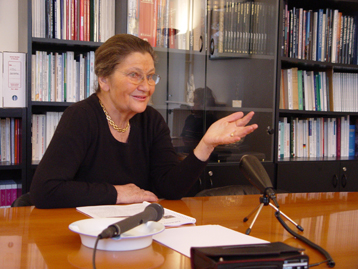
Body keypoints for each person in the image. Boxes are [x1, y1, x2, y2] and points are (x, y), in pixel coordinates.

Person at [30, 34, 258, 209]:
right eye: (134, 75)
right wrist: (117, 193)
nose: (146, 86)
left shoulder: (151, 121)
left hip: (136, 232)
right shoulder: (81, 117)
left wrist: (206, 144)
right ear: (104, 80)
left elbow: (170, 188)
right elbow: (45, 190)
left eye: (150, 76)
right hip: (85, 235)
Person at [181, 87, 218, 151]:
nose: (192, 105)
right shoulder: (190, 118)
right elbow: (183, 137)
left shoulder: (211, 120)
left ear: (203, 104)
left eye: (195, 102)